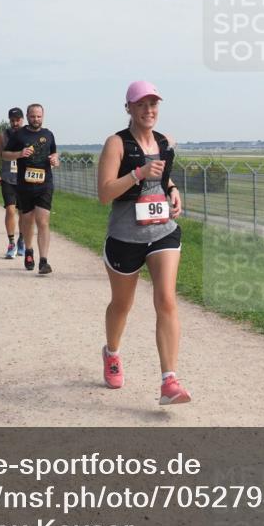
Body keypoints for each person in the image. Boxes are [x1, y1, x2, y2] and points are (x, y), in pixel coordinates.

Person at [96, 81, 189, 405]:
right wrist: (138, 173)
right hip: (125, 236)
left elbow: (163, 178)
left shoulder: (165, 142)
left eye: (153, 104)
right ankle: (112, 352)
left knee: (166, 300)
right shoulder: (116, 144)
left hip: (163, 231)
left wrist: (173, 190)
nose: (149, 110)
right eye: (141, 105)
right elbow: (105, 193)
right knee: (122, 305)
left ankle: (170, 381)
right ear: (129, 109)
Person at [0, 104, 59, 274]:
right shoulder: (19, 135)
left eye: (39, 116)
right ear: (27, 116)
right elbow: (5, 154)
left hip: (45, 184)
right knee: (27, 221)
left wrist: (55, 159)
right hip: (24, 185)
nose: (36, 120)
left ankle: (44, 261)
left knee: (43, 221)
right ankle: (28, 250)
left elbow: (55, 153)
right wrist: (19, 154)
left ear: (43, 116)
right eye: (33, 116)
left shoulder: (48, 135)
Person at [0, 107, 27, 259]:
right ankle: (11, 242)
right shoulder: (3, 136)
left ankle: (22, 240)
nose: (15, 123)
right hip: (8, 178)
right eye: (12, 120)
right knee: (10, 210)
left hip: (25, 179)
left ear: (22, 119)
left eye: (18, 120)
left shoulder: (29, 135)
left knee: (24, 213)